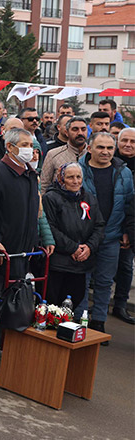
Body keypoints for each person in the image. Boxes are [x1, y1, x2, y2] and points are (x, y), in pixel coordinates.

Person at [0, 127, 42, 363]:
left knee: (15, 293)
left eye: (31, 144)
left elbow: (33, 212)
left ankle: (6, 337)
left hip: (22, 249)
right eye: (24, 145)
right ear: (10, 147)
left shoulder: (30, 174)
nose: (29, 149)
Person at [78, 131, 134, 340]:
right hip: (83, 237)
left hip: (111, 237)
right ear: (90, 148)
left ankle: (98, 322)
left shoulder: (123, 172)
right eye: (101, 147)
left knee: (104, 282)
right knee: (81, 281)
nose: (105, 152)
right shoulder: (78, 170)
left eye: (110, 148)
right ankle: (80, 320)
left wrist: (127, 232)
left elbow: (129, 203)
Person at [43, 162, 103, 309]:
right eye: (70, 177)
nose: (75, 181)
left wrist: (89, 247)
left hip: (80, 263)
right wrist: (73, 248)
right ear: (61, 178)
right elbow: (50, 227)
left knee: (73, 301)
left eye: (78, 177)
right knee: (52, 305)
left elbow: (99, 226)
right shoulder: (50, 198)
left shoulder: (89, 198)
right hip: (58, 263)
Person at [112, 128, 135, 324]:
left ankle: (120, 304)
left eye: (133, 141)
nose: (128, 144)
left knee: (126, 267)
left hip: (130, 226)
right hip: (109, 222)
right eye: (124, 140)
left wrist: (128, 231)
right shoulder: (108, 160)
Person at [40, 116, 90, 192]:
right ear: (67, 132)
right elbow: (44, 185)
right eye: (75, 129)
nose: (80, 133)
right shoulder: (53, 154)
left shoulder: (93, 154)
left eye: (83, 129)